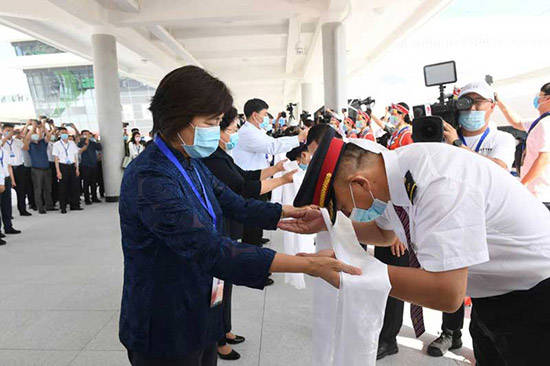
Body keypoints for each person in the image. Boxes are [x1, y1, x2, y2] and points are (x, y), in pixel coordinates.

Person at [118, 65, 360, 366]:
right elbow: (208, 247)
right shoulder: (150, 177)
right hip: (164, 319)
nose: (216, 131)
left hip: (200, 303)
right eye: (210, 122)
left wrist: (289, 212)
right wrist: (308, 264)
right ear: (177, 119)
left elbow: (234, 203)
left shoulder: (190, 160)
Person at [282, 134, 550, 365]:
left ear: (360, 183)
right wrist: (328, 225)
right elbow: (384, 233)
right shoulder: (393, 174)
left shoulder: (440, 183)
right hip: (494, 293)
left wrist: (352, 273)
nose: (349, 212)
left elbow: (447, 293)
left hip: (536, 295)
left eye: (342, 206)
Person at [424, 80, 516, 357]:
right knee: (453, 279)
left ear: (492, 107)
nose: (473, 108)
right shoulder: (439, 136)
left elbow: (497, 172)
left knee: (488, 287)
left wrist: (455, 144)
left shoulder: (501, 139)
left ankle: (488, 345)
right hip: (452, 217)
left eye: (479, 102)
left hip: (491, 223)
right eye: (467, 102)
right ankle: (450, 333)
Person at [201, 106, 297, 360]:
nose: (233, 133)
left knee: (225, 282)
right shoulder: (210, 157)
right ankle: (218, 338)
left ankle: (225, 328)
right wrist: (281, 182)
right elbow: (242, 188)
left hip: (228, 223)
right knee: (217, 286)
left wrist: (277, 172)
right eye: (230, 128)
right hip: (218, 226)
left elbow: (246, 176)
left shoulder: (221, 154)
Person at [232, 98, 307, 247]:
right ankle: (252, 248)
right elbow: (273, 146)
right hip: (250, 179)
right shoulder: (247, 133)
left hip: (259, 176)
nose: (266, 118)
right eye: (265, 114)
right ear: (255, 115)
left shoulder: (257, 131)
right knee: (252, 218)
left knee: (258, 213)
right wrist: (298, 138)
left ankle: (256, 240)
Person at [497, 82, 550, 209]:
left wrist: (523, 184)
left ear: (548, 99)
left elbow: (544, 159)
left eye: (540, 96)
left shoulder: (546, 124)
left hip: (541, 194)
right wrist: (499, 102)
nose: (537, 99)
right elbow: (517, 123)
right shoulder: (539, 122)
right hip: (538, 193)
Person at [23, 120, 55, 214]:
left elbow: (48, 136)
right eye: (34, 135)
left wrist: (43, 126)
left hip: (47, 168)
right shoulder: (29, 145)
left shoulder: (42, 143)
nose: (36, 136)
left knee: (48, 189)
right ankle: (40, 207)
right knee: (38, 190)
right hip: (36, 170)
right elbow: (26, 139)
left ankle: (49, 206)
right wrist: (33, 127)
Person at [1, 123, 31, 216]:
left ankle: (22, 210)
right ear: (3, 131)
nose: (10, 132)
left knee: (21, 190)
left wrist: (24, 137)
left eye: (11, 130)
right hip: (7, 170)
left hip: (19, 167)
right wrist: (6, 137)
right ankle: (8, 214)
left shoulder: (17, 141)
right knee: (7, 192)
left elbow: (26, 148)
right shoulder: (2, 141)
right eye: (7, 130)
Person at [53, 127, 82, 214]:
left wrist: (77, 168)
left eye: (65, 132)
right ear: (59, 134)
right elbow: (56, 159)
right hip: (62, 166)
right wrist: (58, 171)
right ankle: (63, 207)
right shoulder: (56, 144)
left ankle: (75, 205)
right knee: (63, 188)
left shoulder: (72, 143)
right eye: (62, 133)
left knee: (74, 186)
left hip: (72, 166)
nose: (64, 134)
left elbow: (75, 157)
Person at [0, 124, 20, 235]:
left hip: (6, 178)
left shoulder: (5, 150)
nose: (10, 133)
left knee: (6, 205)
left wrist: (12, 180)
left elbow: (9, 166)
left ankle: (8, 226)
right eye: (7, 131)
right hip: (0, 180)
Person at [78, 130, 102, 204]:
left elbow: (99, 147)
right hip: (85, 165)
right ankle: (87, 199)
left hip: (94, 165)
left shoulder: (93, 143)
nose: (86, 136)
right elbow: (80, 150)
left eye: (88, 134)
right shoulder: (80, 143)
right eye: (84, 134)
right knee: (86, 183)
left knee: (93, 182)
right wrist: (87, 139)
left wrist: (96, 139)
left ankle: (94, 197)